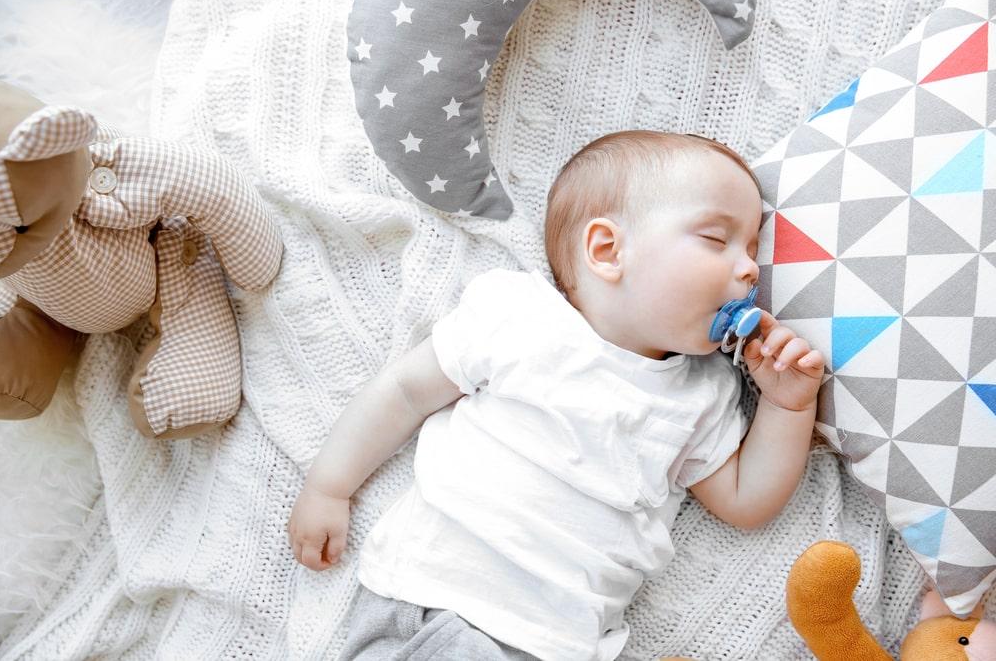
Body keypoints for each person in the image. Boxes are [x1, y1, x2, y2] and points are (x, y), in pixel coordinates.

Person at [288, 131, 826, 661]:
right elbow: (405, 393)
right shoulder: (518, 317)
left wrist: (786, 406)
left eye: (754, 248)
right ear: (608, 250)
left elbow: (745, 501)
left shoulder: (702, 394)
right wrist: (330, 486)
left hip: (552, 643)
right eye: (717, 239)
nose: (750, 268)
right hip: (432, 598)